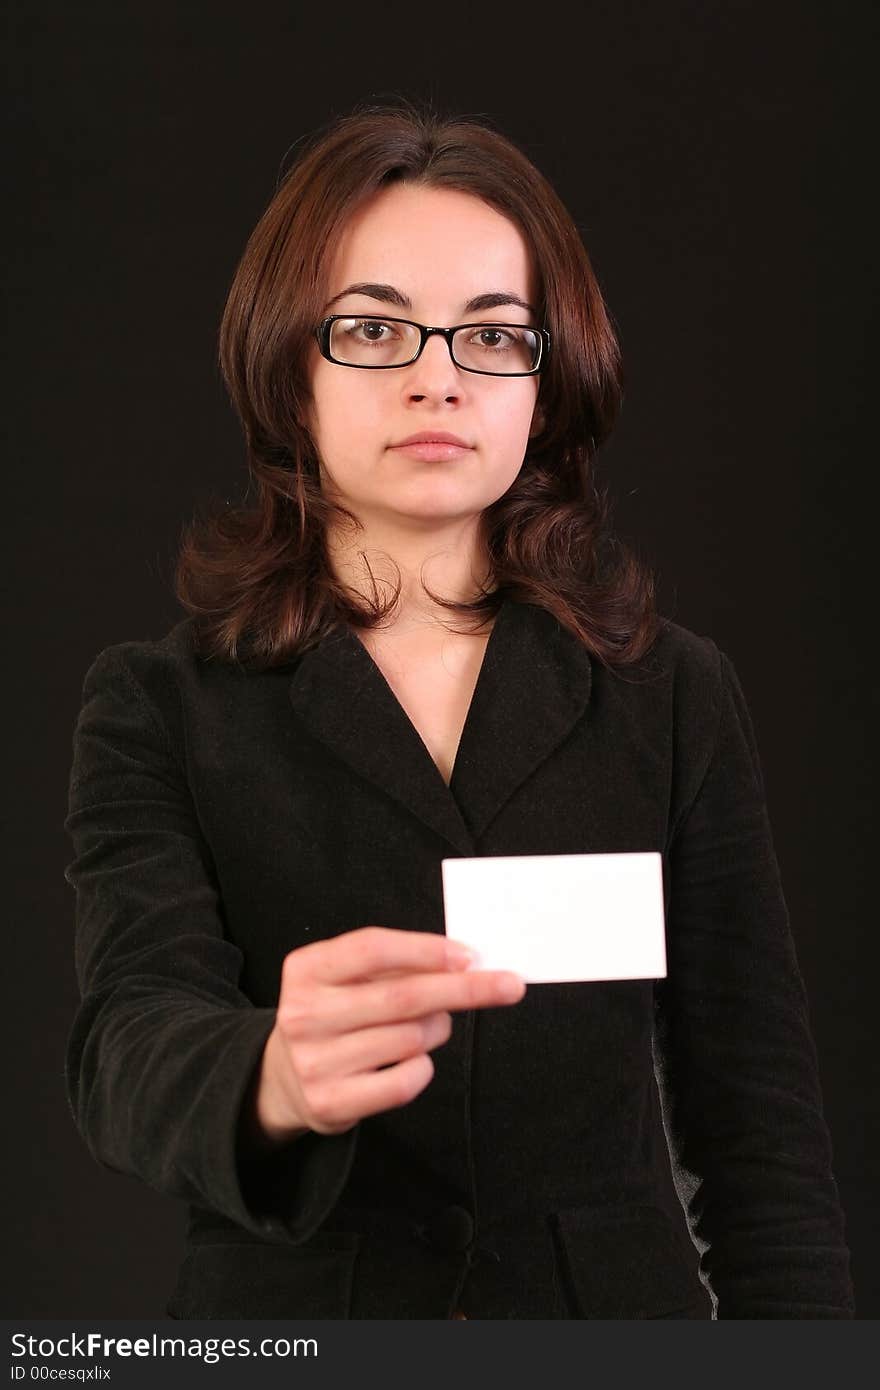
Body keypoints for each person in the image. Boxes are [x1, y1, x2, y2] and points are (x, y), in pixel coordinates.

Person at [64, 98, 855, 1320]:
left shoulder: (674, 693)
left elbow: (761, 1130)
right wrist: (269, 1070)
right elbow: (128, 1045)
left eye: (491, 337)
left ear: (547, 380)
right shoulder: (160, 703)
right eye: (373, 329)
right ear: (291, 369)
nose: (437, 377)